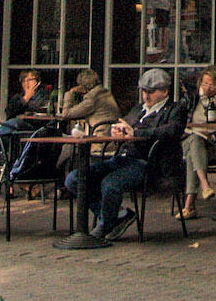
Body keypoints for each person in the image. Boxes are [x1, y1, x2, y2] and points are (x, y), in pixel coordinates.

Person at [55, 66, 185, 247]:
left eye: (151, 92)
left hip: (149, 162)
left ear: (165, 92)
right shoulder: (139, 109)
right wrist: (114, 130)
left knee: (110, 184)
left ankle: (105, 226)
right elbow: (121, 123)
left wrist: (136, 133)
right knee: (75, 178)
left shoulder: (174, 109)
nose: (146, 96)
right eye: (144, 91)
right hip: (122, 158)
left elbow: (171, 131)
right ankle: (117, 216)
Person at [182, 64, 216, 218]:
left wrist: (215, 136)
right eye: (204, 83)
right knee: (195, 141)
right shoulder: (192, 98)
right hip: (189, 138)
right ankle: (204, 184)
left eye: (212, 84)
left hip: (212, 143)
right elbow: (179, 119)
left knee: (192, 155)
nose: (208, 88)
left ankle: (189, 206)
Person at [55, 68, 119, 173]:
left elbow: (66, 114)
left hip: (99, 143)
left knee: (66, 147)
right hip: (111, 141)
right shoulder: (105, 93)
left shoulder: (92, 98)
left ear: (83, 86)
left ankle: (60, 179)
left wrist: (70, 93)